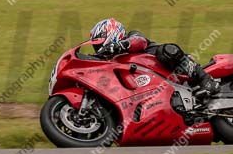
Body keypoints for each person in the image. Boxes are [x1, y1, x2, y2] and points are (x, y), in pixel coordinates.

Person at [89, 18, 219, 98]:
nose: (99, 48)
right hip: (152, 88)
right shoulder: (114, 61)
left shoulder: (132, 36)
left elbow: (138, 41)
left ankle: (206, 80)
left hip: (173, 71)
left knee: (166, 51)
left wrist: (121, 45)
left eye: (100, 44)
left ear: (112, 34)